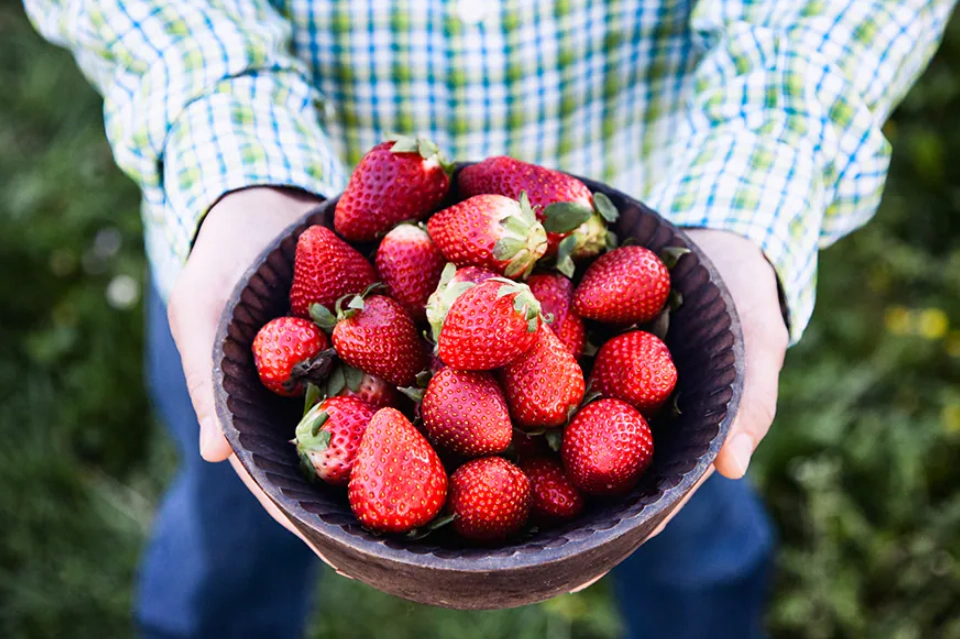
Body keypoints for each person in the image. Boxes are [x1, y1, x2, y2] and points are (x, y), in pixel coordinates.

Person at [25, 0, 956, 637]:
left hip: (660, 199)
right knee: (226, 541)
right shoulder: (365, 320)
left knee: (696, 535)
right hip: (246, 224)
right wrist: (228, 158)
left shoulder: (585, 314)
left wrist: (754, 193)